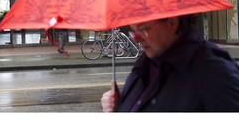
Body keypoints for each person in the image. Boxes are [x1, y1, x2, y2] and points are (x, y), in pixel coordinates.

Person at [101, 14, 239, 112]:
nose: (137, 39)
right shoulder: (146, 63)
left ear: (172, 24)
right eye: (134, 32)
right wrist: (118, 108)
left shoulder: (213, 70)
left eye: (143, 30)